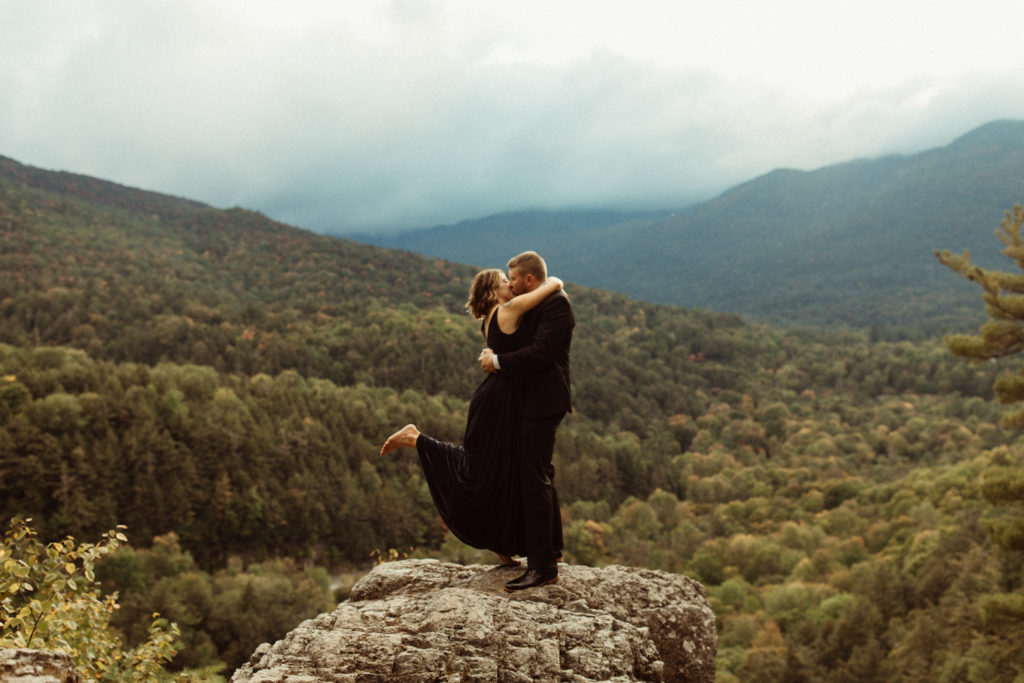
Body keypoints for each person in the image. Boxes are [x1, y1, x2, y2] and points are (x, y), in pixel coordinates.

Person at [379, 267, 564, 570]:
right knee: (478, 470)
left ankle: (502, 544)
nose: (511, 285)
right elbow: (547, 289)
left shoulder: (492, 319)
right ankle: (415, 438)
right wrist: (555, 281)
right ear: (494, 291)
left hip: (499, 401)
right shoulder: (505, 309)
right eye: (506, 282)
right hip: (496, 404)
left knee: (499, 471)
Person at [478, 251, 574, 592]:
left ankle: (543, 567)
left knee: (533, 478)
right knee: (540, 472)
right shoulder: (538, 300)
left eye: (514, 279)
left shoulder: (557, 305)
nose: (512, 284)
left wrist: (498, 362)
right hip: (532, 401)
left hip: (544, 402)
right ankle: (553, 550)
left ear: (529, 281)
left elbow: (540, 353)